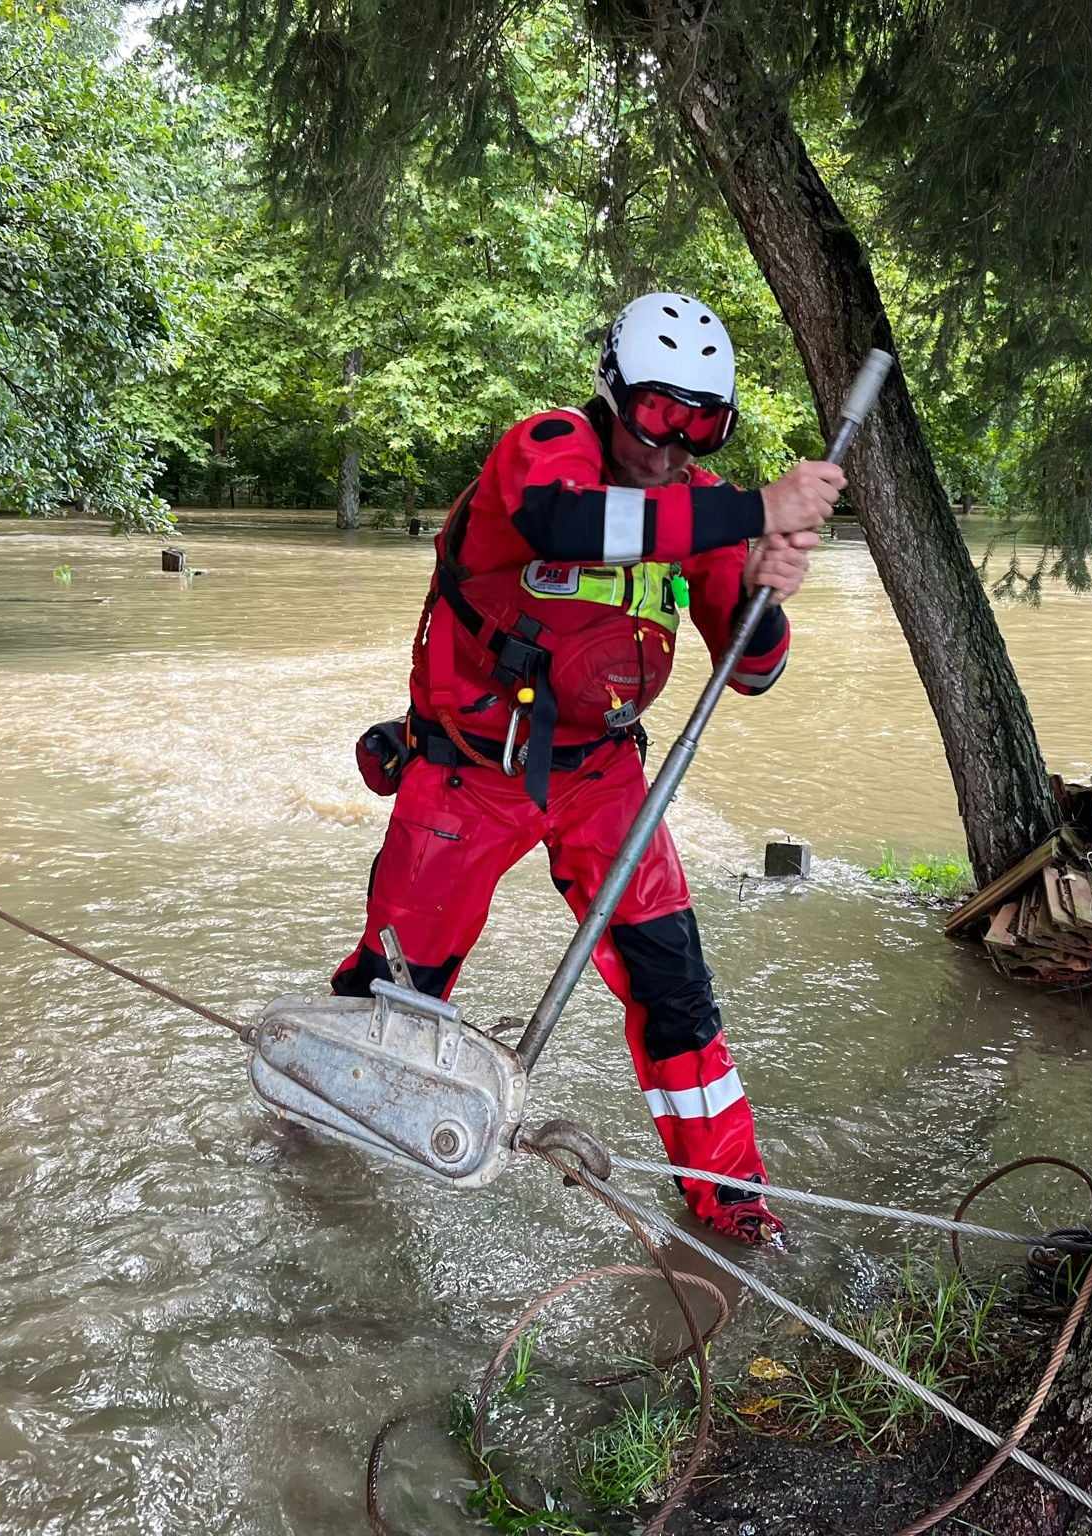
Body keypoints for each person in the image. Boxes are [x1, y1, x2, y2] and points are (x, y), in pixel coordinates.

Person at [337, 291, 844, 1243]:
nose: (673, 441)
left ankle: (728, 1200)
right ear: (615, 395)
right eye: (657, 410)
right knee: (401, 986)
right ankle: (334, 1148)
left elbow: (757, 671)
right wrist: (753, 505)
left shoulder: (703, 510)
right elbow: (565, 525)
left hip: (603, 779)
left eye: (703, 421)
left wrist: (769, 587)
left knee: (674, 986)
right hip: (470, 773)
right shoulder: (545, 448)